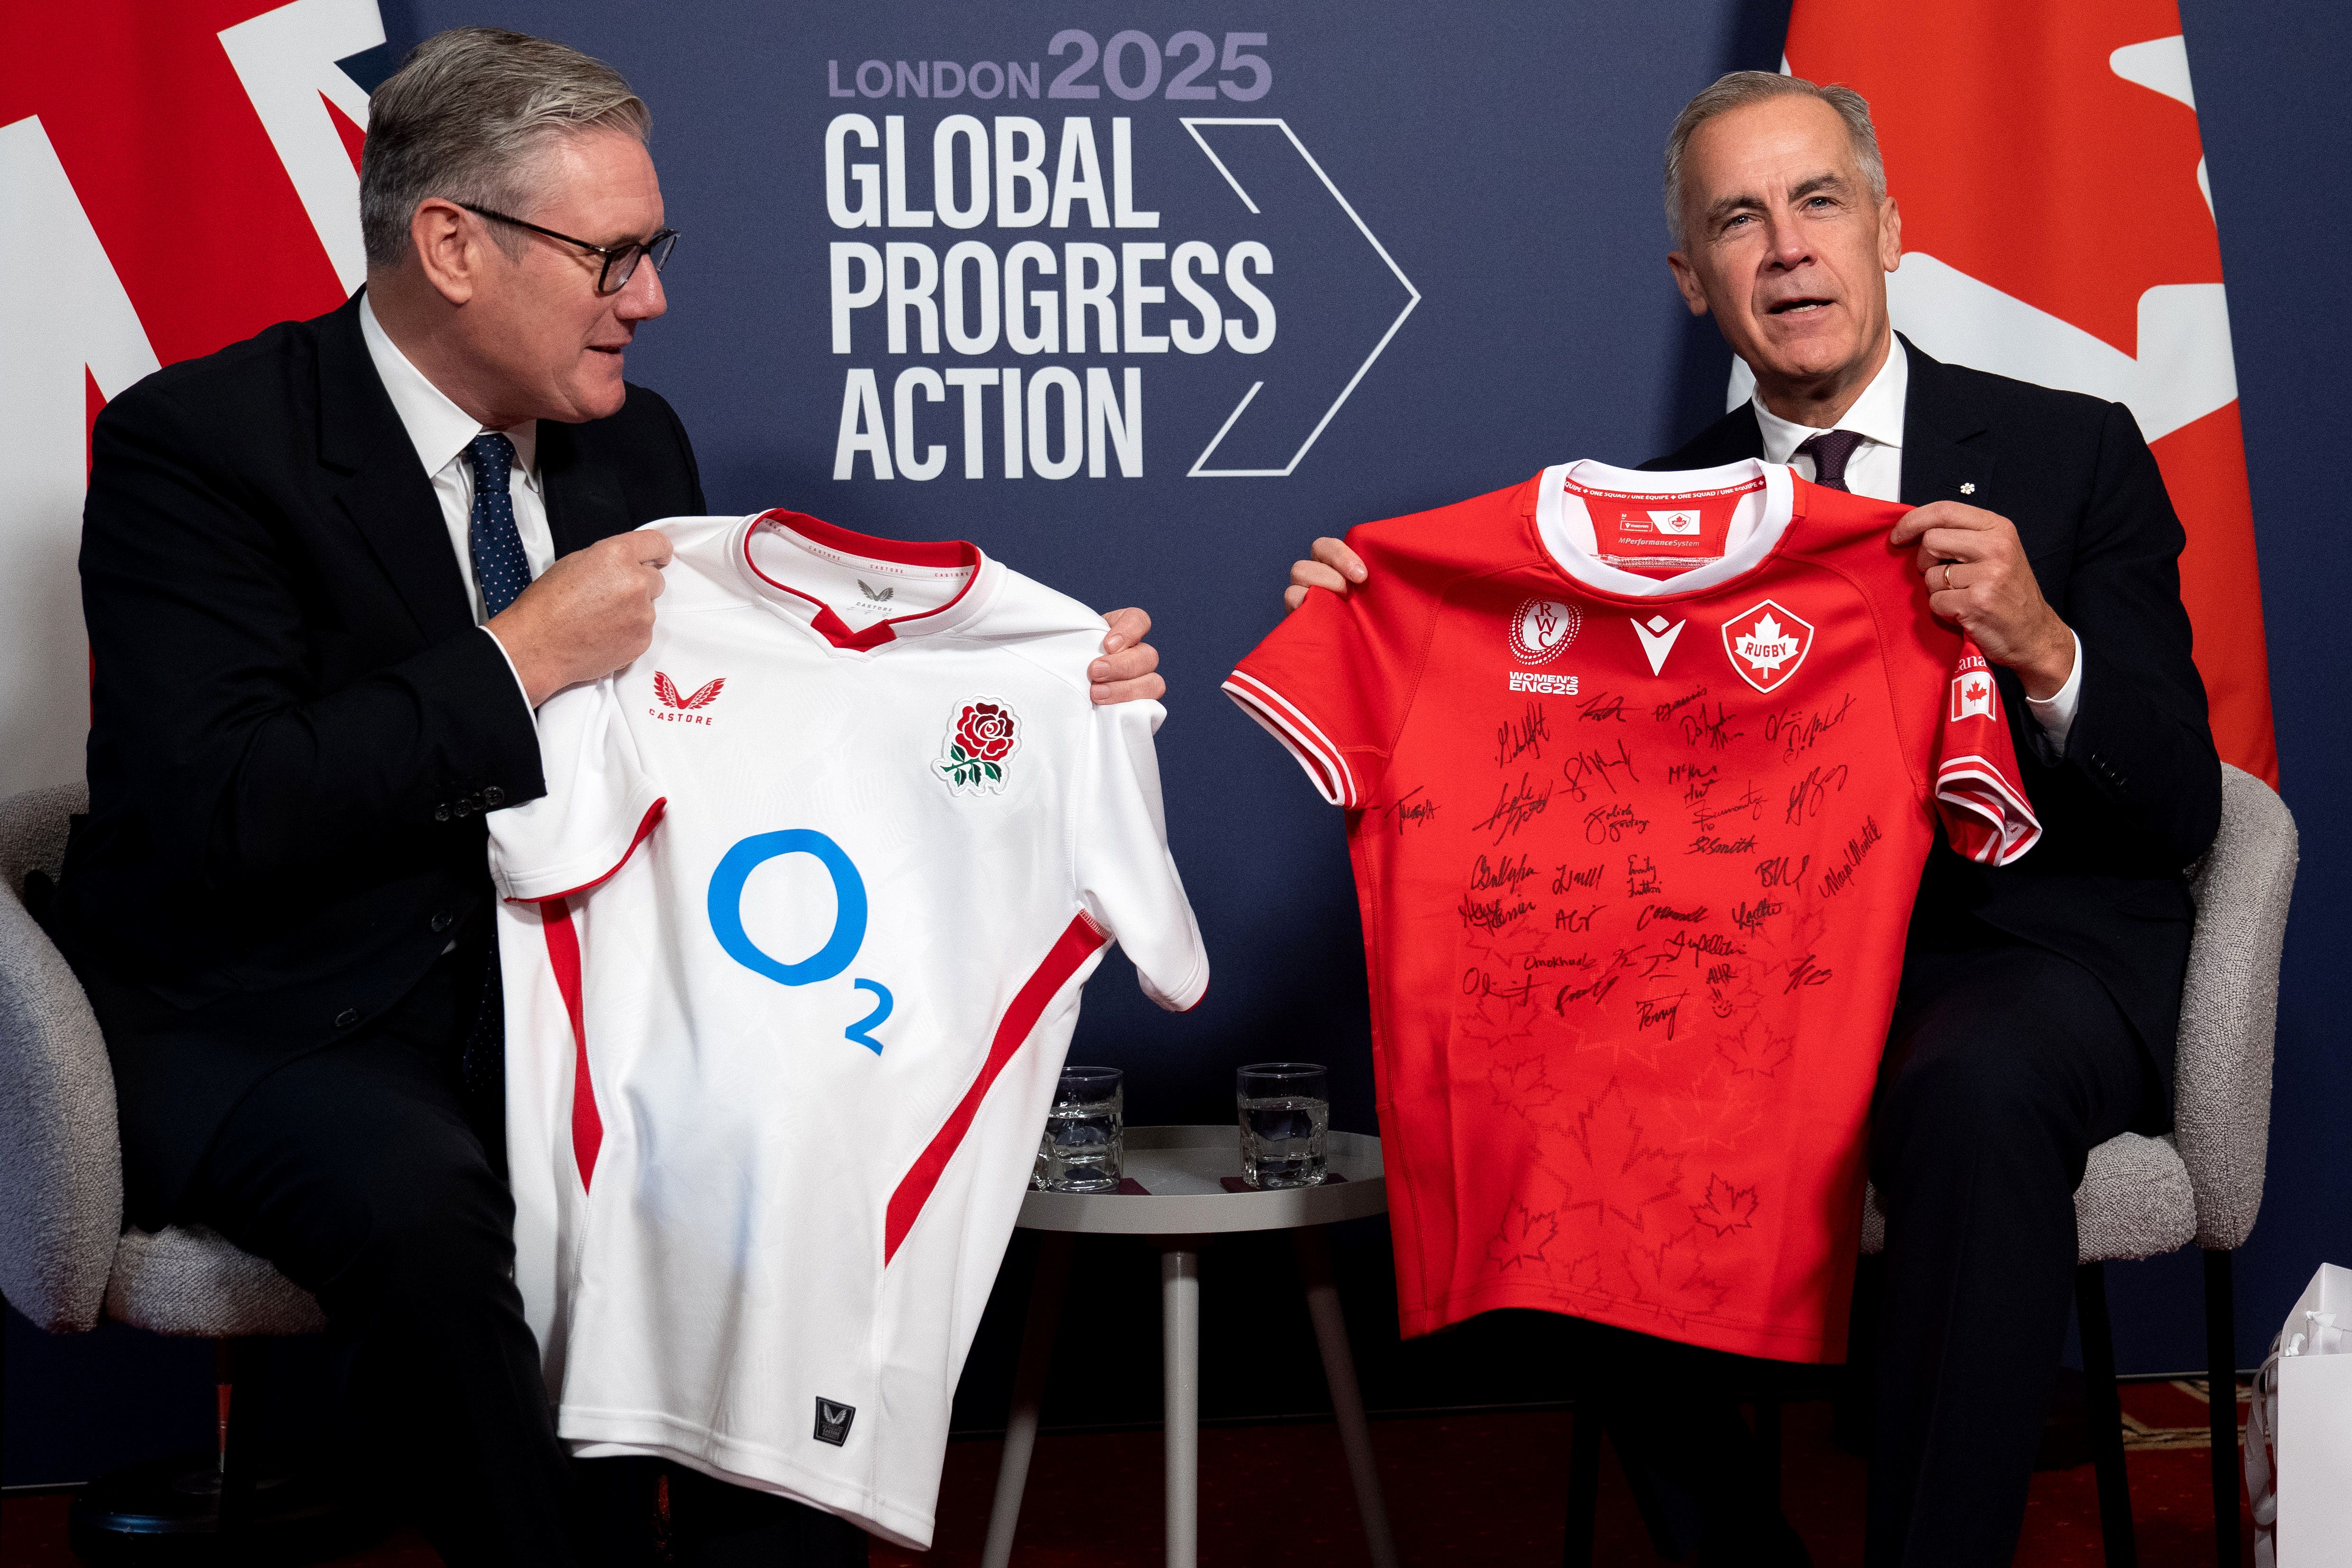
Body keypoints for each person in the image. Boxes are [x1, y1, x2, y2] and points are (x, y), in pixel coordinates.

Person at [46, 27, 1163, 1568]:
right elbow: (221, 803)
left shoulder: (634, 444)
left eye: (655, 250)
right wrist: (517, 657)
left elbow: (790, 714)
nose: (651, 300)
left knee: (777, 1147)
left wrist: (1043, 694)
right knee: (426, 1212)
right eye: (612, 256)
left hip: (581, 979)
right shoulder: (199, 447)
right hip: (283, 1005)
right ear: (450, 243)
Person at [1281, 71, 2220, 1567]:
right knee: (1553, 1078)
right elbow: (1553, 763)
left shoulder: (2072, 450)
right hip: (1754, 978)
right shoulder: (1639, 518)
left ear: (1887, 229)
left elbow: (2177, 795)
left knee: (1968, 1088)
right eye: (1737, 220)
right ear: (1691, 282)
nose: (1785, 247)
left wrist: (2042, 640)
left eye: (1817, 202)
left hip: (2024, 960)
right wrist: (1382, 627)